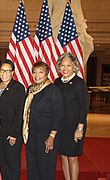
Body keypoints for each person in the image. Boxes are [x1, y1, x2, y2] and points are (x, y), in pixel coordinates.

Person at [22, 61, 64, 180]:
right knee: (33, 166)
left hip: (47, 135)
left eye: (40, 72)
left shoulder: (53, 90)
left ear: (47, 74)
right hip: (31, 134)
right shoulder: (31, 89)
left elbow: (59, 116)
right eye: (34, 72)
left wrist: (52, 136)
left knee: (45, 168)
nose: (37, 75)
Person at [55, 52, 89, 180]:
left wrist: (79, 128)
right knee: (63, 156)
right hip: (61, 126)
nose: (65, 68)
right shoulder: (57, 82)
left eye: (68, 65)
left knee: (73, 157)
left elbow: (84, 107)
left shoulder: (79, 83)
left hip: (75, 126)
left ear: (74, 66)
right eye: (62, 65)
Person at [0, 59, 25, 180]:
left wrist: (14, 134)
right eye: (2, 70)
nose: (4, 73)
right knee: (2, 160)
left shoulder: (18, 88)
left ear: (13, 73)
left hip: (11, 132)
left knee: (12, 163)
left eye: (7, 71)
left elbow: (19, 113)